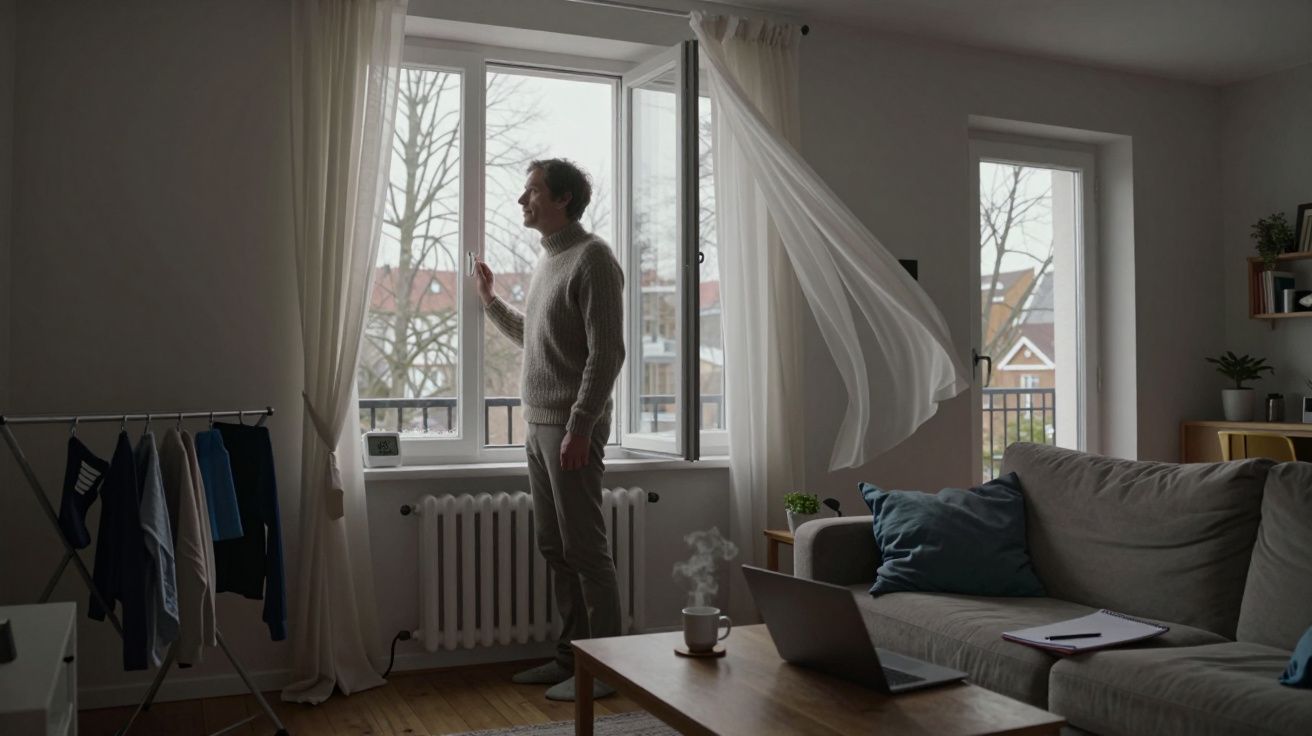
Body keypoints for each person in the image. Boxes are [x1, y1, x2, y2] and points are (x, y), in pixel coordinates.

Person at [474, 158, 625, 702]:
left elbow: (607, 353)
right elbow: (539, 341)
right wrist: (491, 303)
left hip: (569, 428)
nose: (522, 200)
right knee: (554, 546)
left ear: (563, 199)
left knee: (586, 550)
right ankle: (571, 659)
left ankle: (607, 671)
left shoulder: (595, 259)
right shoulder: (549, 264)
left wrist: (581, 427)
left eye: (533, 190)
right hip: (539, 425)